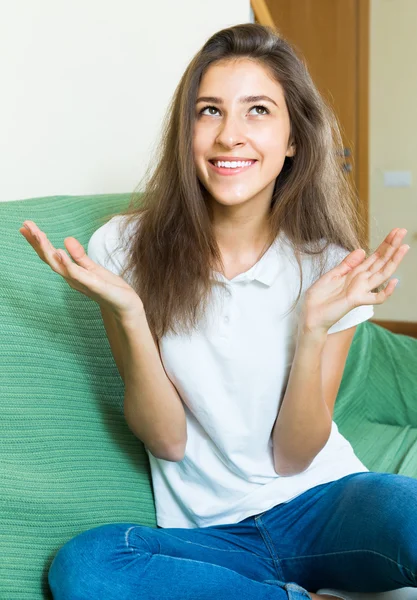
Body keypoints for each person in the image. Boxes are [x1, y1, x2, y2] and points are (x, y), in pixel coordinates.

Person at [20, 22, 414, 600]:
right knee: (88, 565)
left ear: (293, 139)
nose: (231, 135)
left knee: (406, 509)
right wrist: (130, 313)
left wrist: (312, 328)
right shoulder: (122, 249)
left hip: (325, 507)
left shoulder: (330, 265)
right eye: (209, 111)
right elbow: (169, 441)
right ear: (187, 134)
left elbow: (294, 455)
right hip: (215, 538)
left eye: (258, 111)